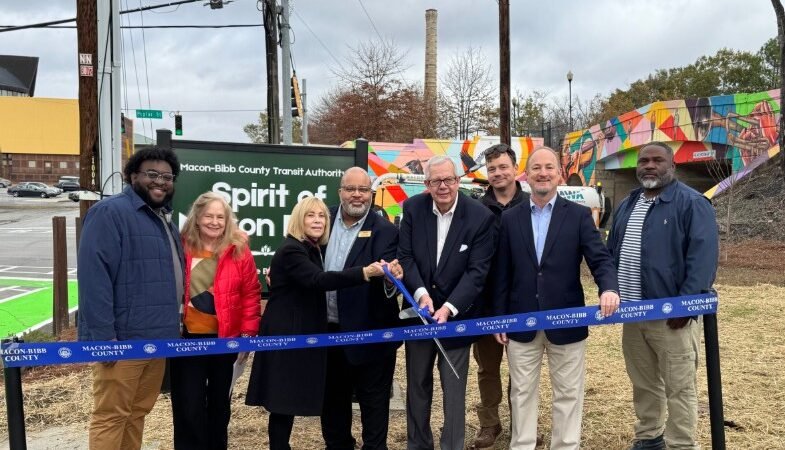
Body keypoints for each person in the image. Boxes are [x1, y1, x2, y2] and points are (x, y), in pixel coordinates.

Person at [245, 196, 402, 450]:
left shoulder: (311, 247)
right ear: (298, 219)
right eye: (310, 216)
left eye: (321, 216)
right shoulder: (293, 249)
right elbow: (318, 280)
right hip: (287, 334)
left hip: (303, 333)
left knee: (288, 400)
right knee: (282, 402)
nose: (317, 220)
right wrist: (364, 272)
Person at [492, 146, 620, 450]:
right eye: (536, 168)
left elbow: (600, 259)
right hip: (521, 322)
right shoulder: (510, 219)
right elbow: (501, 272)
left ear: (559, 174)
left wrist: (609, 288)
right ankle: (522, 445)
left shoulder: (577, 216)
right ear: (527, 174)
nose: (543, 173)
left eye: (549, 167)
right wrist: (499, 315)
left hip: (567, 321)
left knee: (568, 393)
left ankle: (565, 445)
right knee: (521, 393)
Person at [607, 142, 718, 450]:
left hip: (672, 318)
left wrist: (685, 306)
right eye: (644, 160)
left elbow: (703, 259)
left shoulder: (692, 203)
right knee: (644, 384)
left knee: (679, 387)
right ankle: (649, 437)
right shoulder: (628, 202)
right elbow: (613, 251)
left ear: (673, 166)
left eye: (657, 160)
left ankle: (681, 444)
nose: (650, 165)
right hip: (633, 314)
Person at [77, 146, 184, 450]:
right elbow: (94, 279)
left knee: (138, 413)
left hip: (159, 339)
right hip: (122, 340)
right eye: (152, 174)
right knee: (112, 416)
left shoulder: (163, 220)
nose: (160, 182)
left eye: (167, 176)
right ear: (133, 176)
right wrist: (104, 337)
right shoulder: (110, 213)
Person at [397, 155, 498, 450]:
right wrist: (420, 295)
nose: (443, 186)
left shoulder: (480, 217)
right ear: (427, 184)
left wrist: (449, 307)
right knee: (417, 387)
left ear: (458, 181)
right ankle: (418, 445)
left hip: (457, 317)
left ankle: (451, 445)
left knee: (454, 390)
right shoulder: (412, 209)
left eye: (449, 179)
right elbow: (406, 257)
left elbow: (478, 272)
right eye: (436, 181)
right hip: (419, 314)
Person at [170, 192, 262, 450]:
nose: (214, 221)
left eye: (220, 217)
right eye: (208, 216)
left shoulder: (239, 248)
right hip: (186, 339)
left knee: (220, 405)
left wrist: (247, 336)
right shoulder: (181, 245)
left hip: (225, 339)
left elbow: (251, 293)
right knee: (189, 405)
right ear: (197, 218)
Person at [321, 167, 402, 450]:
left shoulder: (387, 231)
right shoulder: (322, 219)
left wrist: (393, 277)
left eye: (364, 190)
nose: (357, 195)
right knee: (332, 401)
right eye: (351, 189)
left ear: (372, 193)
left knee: (374, 404)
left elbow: (390, 284)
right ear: (340, 191)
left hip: (371, 334)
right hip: (326, 330)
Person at [471, 144, 529, 449]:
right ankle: (489, 424)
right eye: (492, 168)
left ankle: (524, 425)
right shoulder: (477, 209)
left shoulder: (534, 205)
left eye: (503, 167)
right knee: (487, 369)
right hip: (484, 305)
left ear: (515, 168)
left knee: (523, 370)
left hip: (523, 302)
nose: (497, 173)